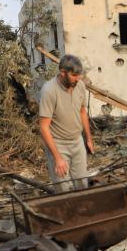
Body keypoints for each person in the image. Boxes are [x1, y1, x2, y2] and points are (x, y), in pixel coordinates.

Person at [38, 54, 94, 191]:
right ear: (62, 72)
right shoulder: (49, 90)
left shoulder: (80, 86)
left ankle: (83, 205)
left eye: (78, 75)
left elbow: (82, 111)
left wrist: (88, 139)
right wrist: (57, 158)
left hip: (77, 141)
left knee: (83, 184)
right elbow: (44, 127)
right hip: (58, 144)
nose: (78, 78)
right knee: (62, 187)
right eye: (74, 75)